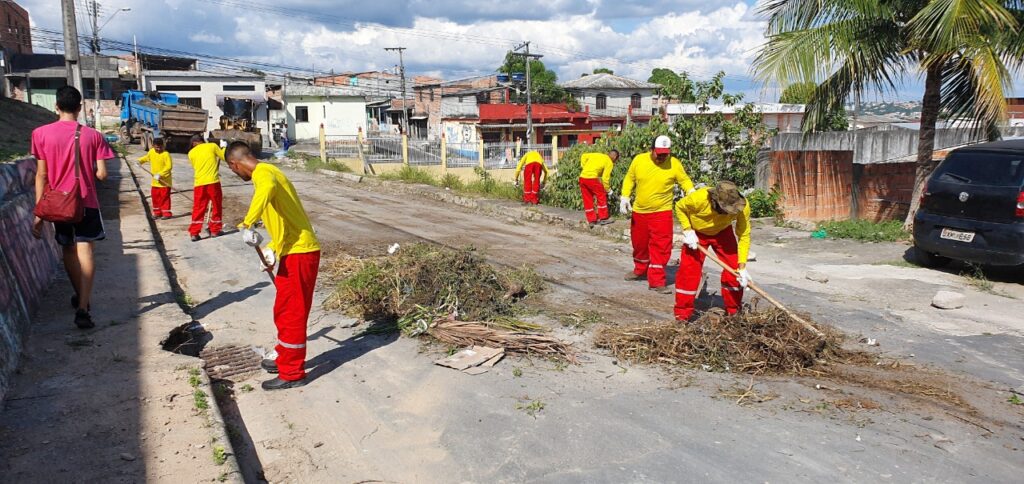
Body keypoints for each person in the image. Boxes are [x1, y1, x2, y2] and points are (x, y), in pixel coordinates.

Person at [225, 141, 321, 390]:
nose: (236, 174)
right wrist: (273, 250)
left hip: (301, 252)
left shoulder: (263, 174)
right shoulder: (270, 171)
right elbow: (283, 220)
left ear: (234, 164)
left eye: (233, 170)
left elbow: (265, 189)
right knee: (284, 308)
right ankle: (285, 355)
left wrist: (248, 223)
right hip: (293, 249)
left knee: (291, 312)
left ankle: (292, 373)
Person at [30, 85, 114, 329]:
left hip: (58, 204)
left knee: (67, 250)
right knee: (86, 251)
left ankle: (81, 298)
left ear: (56, 106)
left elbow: (41, 175)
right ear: (80, 108)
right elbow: (102, 174)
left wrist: (39, 214)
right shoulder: (93, 136)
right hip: (85, 200)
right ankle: (83, 309)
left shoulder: (40, 134)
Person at [619, 135, 695, 293]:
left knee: (661, 247)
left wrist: (691, 191)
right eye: (658, 153)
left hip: (662, 212)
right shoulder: (639, 160)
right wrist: (625, 196)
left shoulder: (674, 164)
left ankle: (657, 280)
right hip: (640, 212)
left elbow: (684, 180)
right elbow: (629, 178)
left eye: (664, 154)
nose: (661, 157)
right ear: (651, 149)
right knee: (639, 244)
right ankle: (640, 270)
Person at [673, 180, 752, 321]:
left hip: (723, 233)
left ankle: (734, 312)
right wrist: (688, 230)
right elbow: (679, 207)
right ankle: (682, 315)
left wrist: (742, 266)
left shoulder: (742, 207)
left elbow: (744, 234)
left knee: (734, 272)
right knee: (688, 272)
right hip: (697, 234)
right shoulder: (698, 199)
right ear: (715, 201)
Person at [187, 135, 225, 241]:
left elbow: (197, 166)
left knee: (198, 208)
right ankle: (215, 230)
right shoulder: (212, 146)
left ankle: (194, 233)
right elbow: (223, 157)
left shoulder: (191, 153)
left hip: (199, 183)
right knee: (216, 206)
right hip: (213, 182)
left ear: (194, 143)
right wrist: (224, 148)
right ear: (202, 141)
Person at [579, 150, 619, 226]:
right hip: (592, 179)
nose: (615, 162)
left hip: (582, 178)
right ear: (614, 157)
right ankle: (603, 218)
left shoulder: (597, 154)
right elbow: (605, 179)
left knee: (587, 199)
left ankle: (591, 220)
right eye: (616, 160)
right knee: (601, 195)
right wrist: (608, 190)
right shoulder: (609, 162)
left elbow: (583, 155)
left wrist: (584, 167)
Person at [138, 137, 173, 219]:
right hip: (155, 182)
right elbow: (146, 158)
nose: (158, 149)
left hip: (164, 182)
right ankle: (157, 213)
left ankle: (166, 213)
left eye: (160, 147)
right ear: (153, 146)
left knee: (165, 198)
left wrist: (160, 174)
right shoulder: (151, 152)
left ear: (163, 146)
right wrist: (139, 161)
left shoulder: (166, 154)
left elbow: (169, 167)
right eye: (156, 147)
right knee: (155, 198)